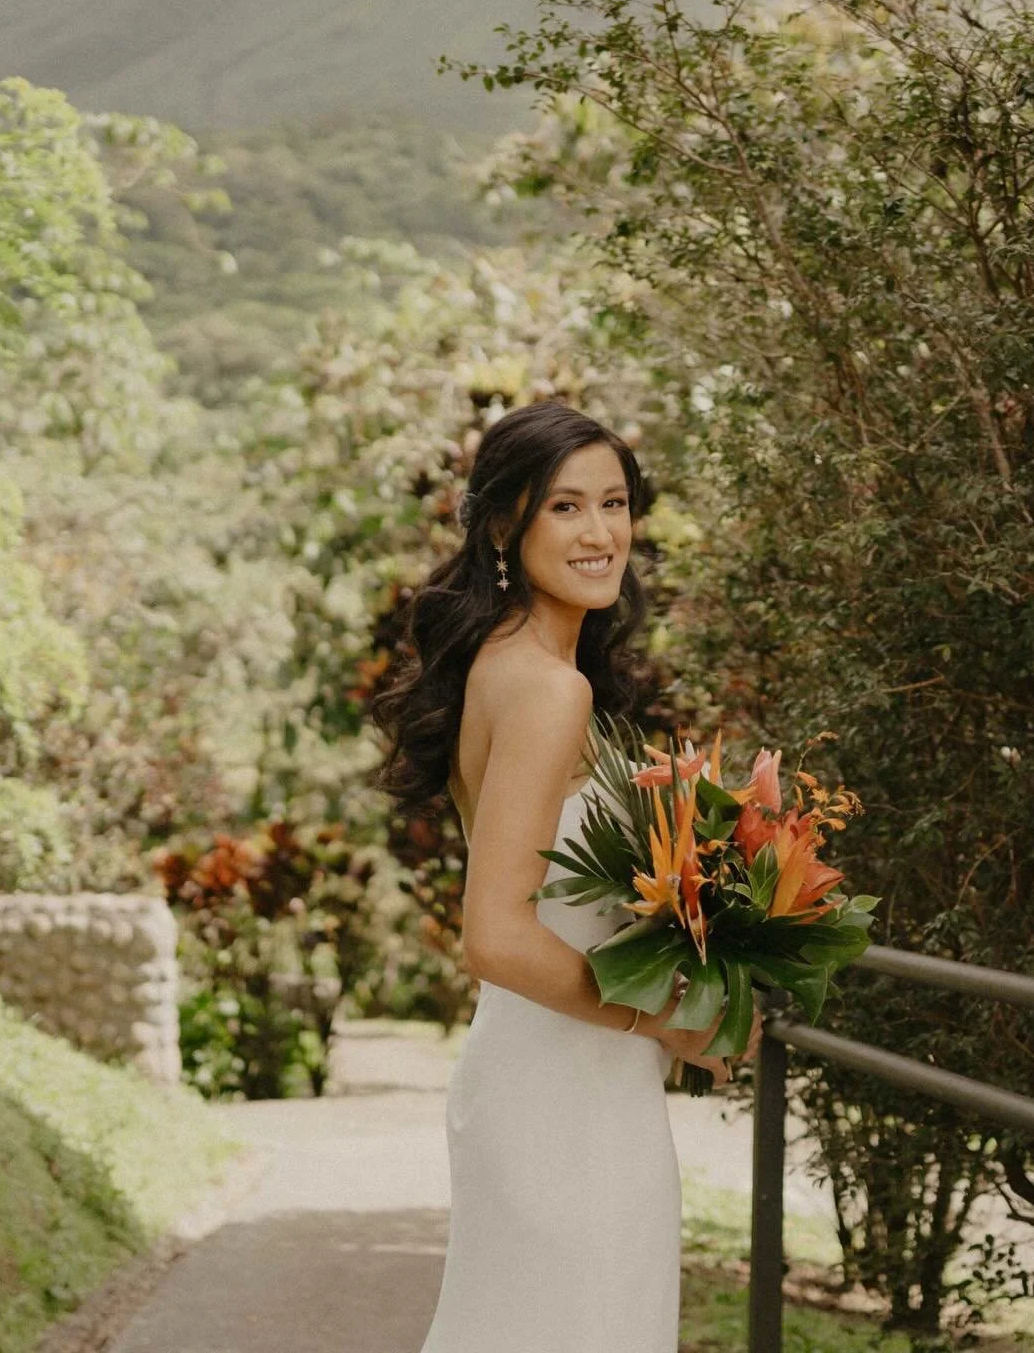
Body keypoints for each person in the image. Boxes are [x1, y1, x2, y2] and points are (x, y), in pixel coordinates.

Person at [370, 397, 762, 1352]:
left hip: (556, 1081)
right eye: (566, 508)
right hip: (567, 1101)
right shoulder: (549, 688)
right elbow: (495, 935)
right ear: (505, 523)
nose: (601, 533)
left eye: (616, 503)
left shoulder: (507, 663)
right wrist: (668, 1020)